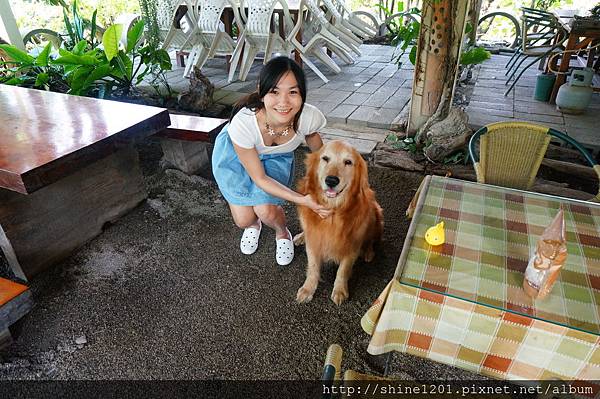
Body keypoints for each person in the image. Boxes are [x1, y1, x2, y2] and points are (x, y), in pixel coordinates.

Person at [212, 56, 331, 266]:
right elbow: (259, 177)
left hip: (276, 155)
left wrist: (328, 173)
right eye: (274, 91)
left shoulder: (308, 117)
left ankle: (282, 233)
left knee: (266, 210)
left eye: (293, 92)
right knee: (244, 220)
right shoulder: (243, 123)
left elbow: (313, 138)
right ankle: (254, 225)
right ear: (262, 90)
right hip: (237, 155)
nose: (284, 102)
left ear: (302, 93)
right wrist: (304, 200)